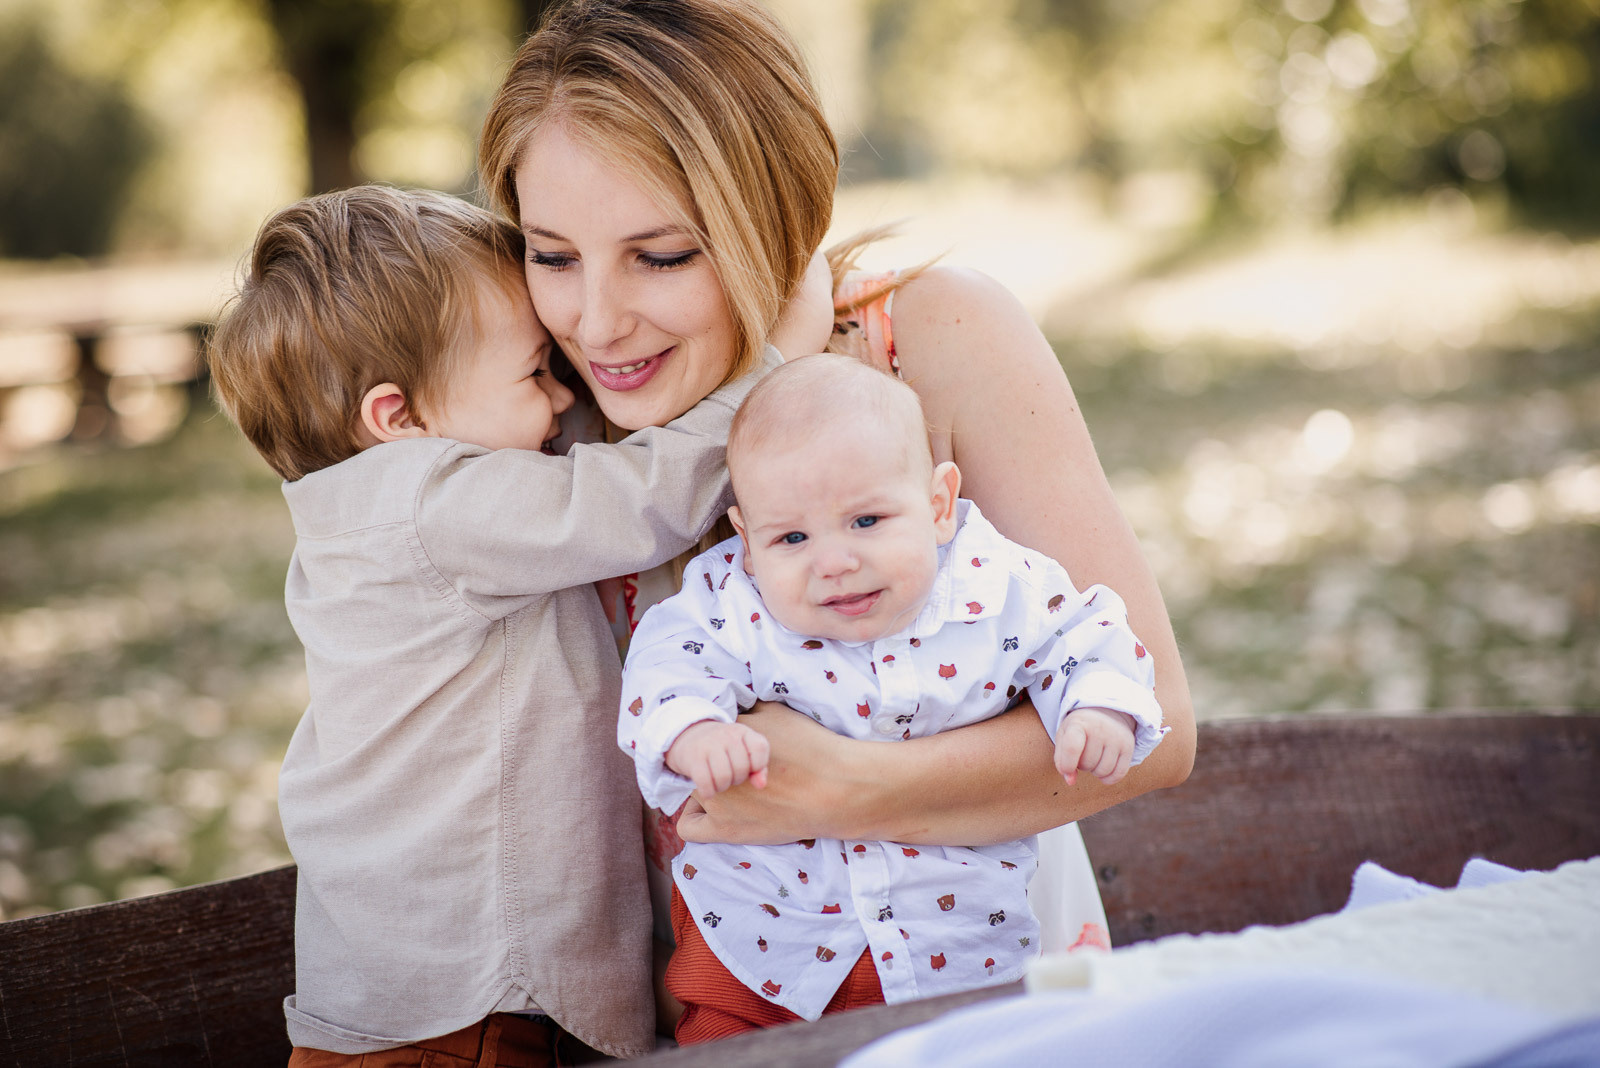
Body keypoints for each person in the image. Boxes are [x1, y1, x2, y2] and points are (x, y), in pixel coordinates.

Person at [479, 0, 1195, 1035]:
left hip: (985, 994)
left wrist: (843, 785)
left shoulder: (927, 336)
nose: (596, 320)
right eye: (553, 255)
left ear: (778, 217)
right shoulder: (531, 407)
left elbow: (1157, 724)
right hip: (706, 1015)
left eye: (665, 255)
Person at [205, 185, 826, 1065]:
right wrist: (771, 359)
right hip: (456, 1025)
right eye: (535, 372)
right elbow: (642, 500)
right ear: (400, 419)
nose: (560, 395)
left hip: (424, 1005)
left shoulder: (367, 506)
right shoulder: (432, 507)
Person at [618, 356, 1167, 1043]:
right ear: (748, 542)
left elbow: (1085, 638)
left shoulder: (1002, 585)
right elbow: (667, 662)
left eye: (867, 520)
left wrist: (1096, 705)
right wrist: (693, 729)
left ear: (938, 505)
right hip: (760, 944)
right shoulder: (732, 602)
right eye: (791, 537)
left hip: (954, 943)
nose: (833, 561)